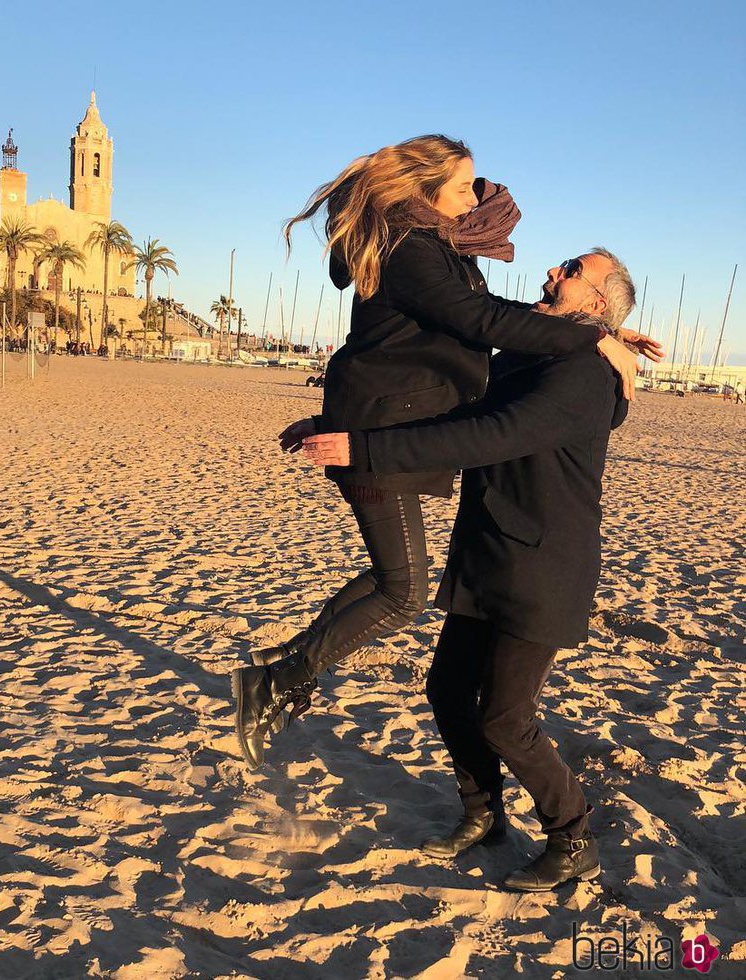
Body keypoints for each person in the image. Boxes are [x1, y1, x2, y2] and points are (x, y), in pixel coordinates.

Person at [231, 135, 662, 770]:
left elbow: (478, 318)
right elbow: (481, 322)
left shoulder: (431, 246)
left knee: (394, 580)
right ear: (424, 190)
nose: (473, 199)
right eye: (462, 187)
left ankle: (288, 663)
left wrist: (602, 333)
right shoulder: (412, 249)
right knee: (403, 591)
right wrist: (597, 335)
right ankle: (283, 676)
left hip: (384, 424)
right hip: (382, 438)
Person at [299, 249, 636, 890]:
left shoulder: (582, 378)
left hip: (543, 566)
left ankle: (573, 837)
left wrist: (366, 448)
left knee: (506, 720)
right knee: (447, 691)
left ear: (596, 303)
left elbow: (489, 436)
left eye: (569, 270)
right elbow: (454, 408)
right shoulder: (534, 356)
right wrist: (336, 424)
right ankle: (484, 814)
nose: (550, 273)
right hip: (486, 549)